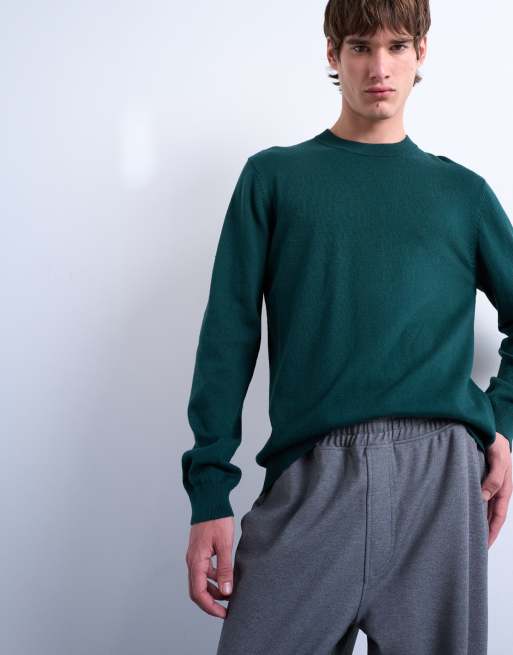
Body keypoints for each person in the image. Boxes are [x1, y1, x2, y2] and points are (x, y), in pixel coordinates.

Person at [182, 1, 513, 652]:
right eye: (360, 47)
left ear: (421, 52)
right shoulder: (275, 178)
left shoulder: (462, 194)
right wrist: (209, 491)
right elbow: (227, 336)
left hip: (439, 480)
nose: (379, 67)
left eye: (397, 46)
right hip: (313, 474)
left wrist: (500, 421)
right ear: (333, 54)